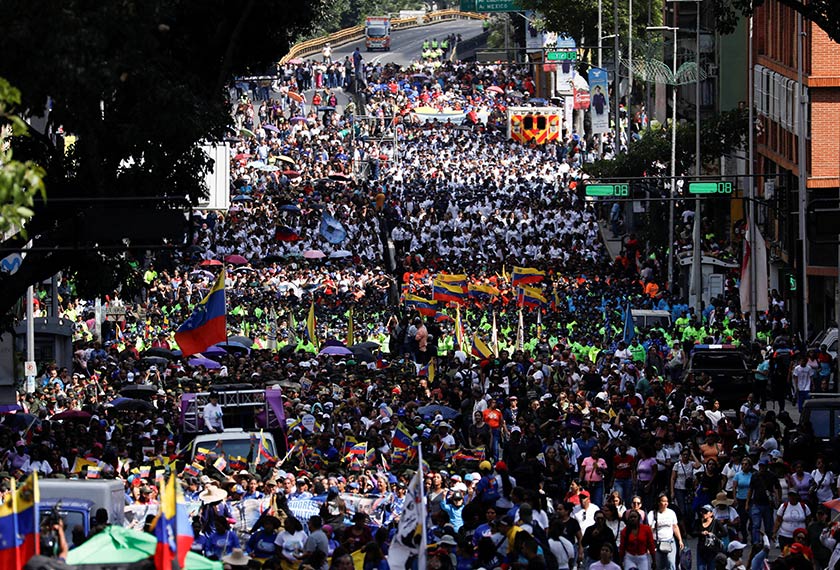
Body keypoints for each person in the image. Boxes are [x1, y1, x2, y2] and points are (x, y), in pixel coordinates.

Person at [746, 457, 781, 543]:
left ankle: (766, 542)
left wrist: (778, 499)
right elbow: (751, 489)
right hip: (756, 503)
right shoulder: (755, 476)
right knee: (756, 525)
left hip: (768, 504)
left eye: (763, 466)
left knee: (768, 526)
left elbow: (778, 487)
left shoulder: (772, 476)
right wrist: (747, 503)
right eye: (760, 466)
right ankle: (756, 542)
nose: (761, 468)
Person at [647, 493, 683, 570]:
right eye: (663, 501)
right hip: (657, 542)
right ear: (658, 502)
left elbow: (675, 527)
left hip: (670, 541)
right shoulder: (652, 514)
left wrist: (680, 540)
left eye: (667, 501)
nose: (665, 503)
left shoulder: (671, 513)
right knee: (658, 566)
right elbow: (649, 531)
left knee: (671, 563)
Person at [696, 504, 726, 570]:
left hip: (712, 550)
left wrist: (714, 535)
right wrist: (701, 533)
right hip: (701, 550)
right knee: (701, 568)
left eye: (706, 512)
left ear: (711, 513)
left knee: (711, 567)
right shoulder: (698, 522)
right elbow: (692, 533)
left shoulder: (716, 522)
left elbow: (724, 533)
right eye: (702, 511)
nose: (703, 513)